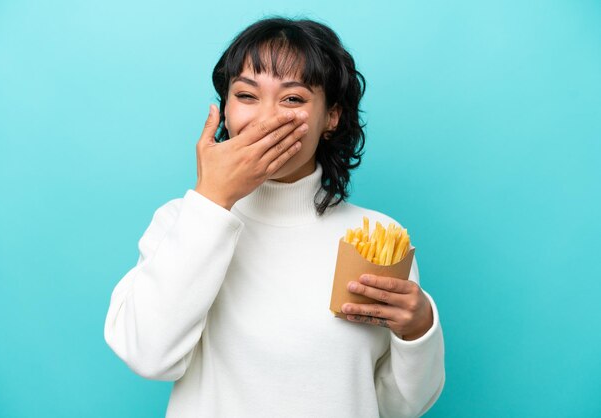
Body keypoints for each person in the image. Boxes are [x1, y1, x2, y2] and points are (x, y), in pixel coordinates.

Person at [104, 16, 445, 418]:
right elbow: (148, 356)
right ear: (225, 112)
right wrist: (212, 200)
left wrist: (419, 330)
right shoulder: (182, 221)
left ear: (331, 117)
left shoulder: (376, 238)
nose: (266, 119)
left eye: (293, 99)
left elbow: (392, 406)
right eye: (246, 95)